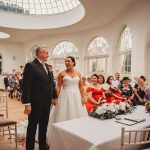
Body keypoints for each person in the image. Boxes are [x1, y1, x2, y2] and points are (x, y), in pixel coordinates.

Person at [22, 45, 58, 150]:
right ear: (40, 54)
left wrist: (54, 97)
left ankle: (43, 146)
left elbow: (51, 84)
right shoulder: (30, 66)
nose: (48, 55)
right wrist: (27, 104)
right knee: (32, 128)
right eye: (46, 53)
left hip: (47, 103)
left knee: (43, 127)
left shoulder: (48, 66)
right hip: (35, 104)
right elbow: (26, 86)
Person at [48, 56, 87, 123]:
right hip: (64, 95)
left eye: (68, 61)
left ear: (73, 62)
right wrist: (55, 98)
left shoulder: (78, 73)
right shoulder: (62, 73)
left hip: (76, 96)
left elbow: (81, 86)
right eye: (65, 61)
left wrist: (82, 97)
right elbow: (58, 86)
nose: (66, 62)